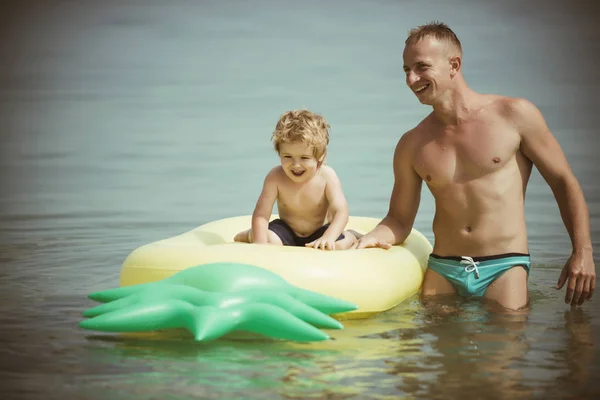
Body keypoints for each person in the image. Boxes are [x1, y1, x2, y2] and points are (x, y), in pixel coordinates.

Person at [353, 22, 595, 310]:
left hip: (504, 265)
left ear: (454, 65)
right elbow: (399, 220)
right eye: (406, 70)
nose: (411, 79)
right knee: (424, 353)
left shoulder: (514, 115)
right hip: (443, 267)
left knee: (504, 345)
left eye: (421, 67)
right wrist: (368, 239)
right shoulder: (411, 144)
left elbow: (563, 181)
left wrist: (583, 252)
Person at [234, 109, 357, 250]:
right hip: (287, 231)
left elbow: (341, 212)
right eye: (287, 156)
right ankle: (250, 235)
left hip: (321, 231)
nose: (296, 165)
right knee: (267, 239)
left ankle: (352, 235)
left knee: (339, 245)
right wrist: (261, 243)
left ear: (320, 156)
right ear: (279, 152)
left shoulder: (327, 177)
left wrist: (328, 237)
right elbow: (261, 214)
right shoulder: (275, 177)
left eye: (304, 158)